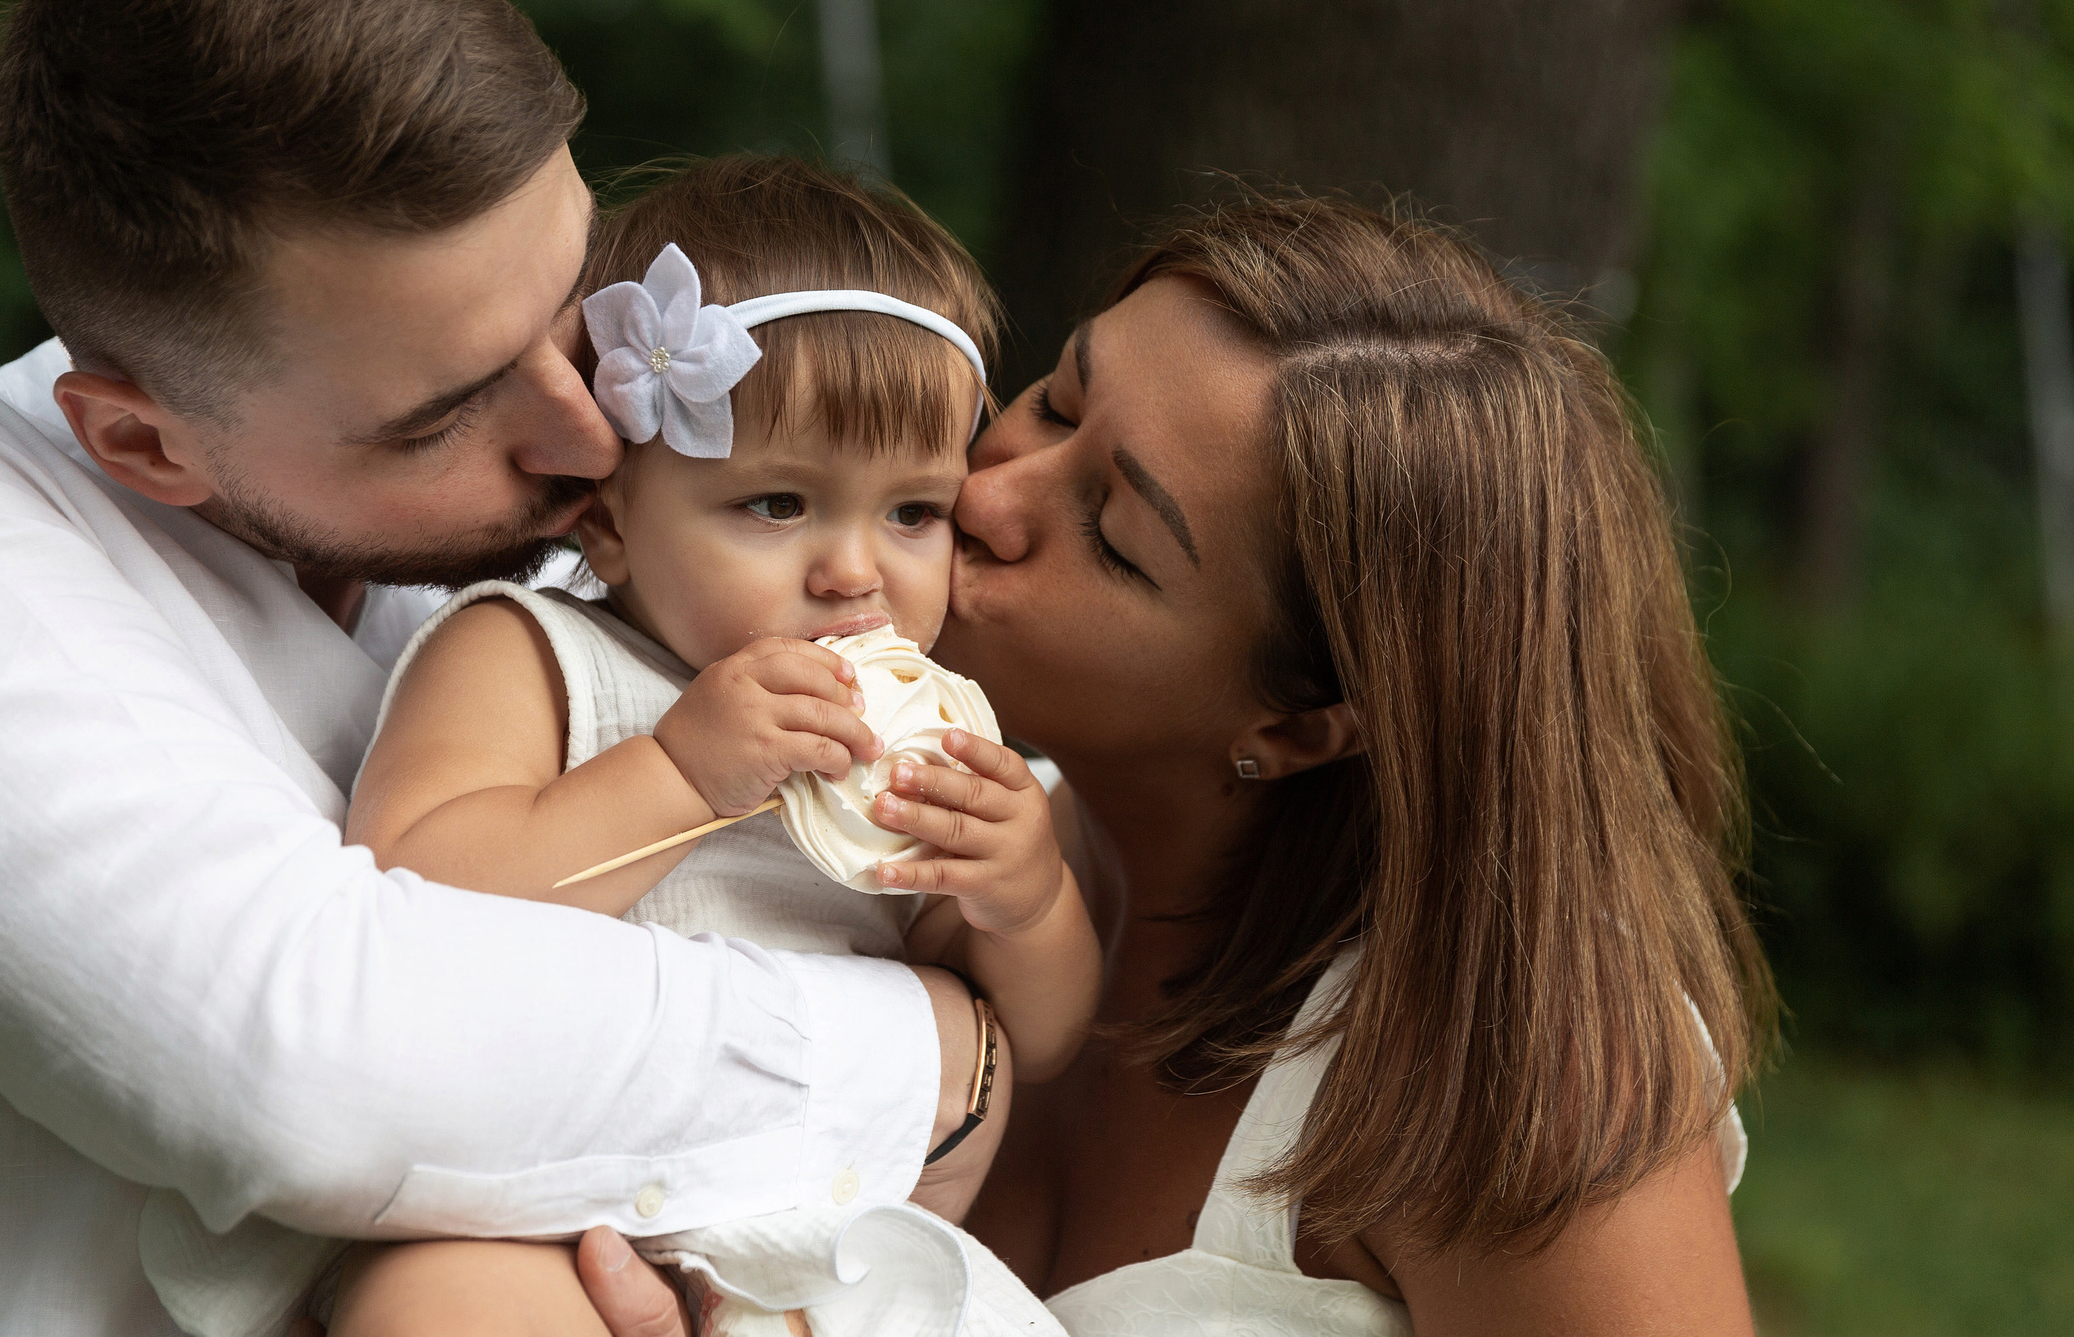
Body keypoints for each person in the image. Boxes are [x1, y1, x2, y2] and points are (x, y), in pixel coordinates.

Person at [0, 0, 986, 1336]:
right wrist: (941, 1057)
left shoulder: (553, 565)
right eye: (447, 411)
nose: (587, 430)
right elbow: (300, 1063)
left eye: (580, 317)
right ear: (143, 441)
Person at [579, 194, 1773, 1336]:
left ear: (1298, 723)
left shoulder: (1522, 1071)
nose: (979, 494)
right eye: (1052, 401)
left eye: (1114, 536)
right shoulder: (865, 871)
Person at [146, 157, 1097, 1337]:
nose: (855, 571)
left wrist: (1025, 895)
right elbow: (416, 895)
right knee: (443, 1308)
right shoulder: (531, 652)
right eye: (777, 505)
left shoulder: (924, 740)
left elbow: (1042, 1041)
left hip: (827, 1250)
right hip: (535, 1211)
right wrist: (678, 773)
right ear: (608, 523)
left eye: (913, 513)